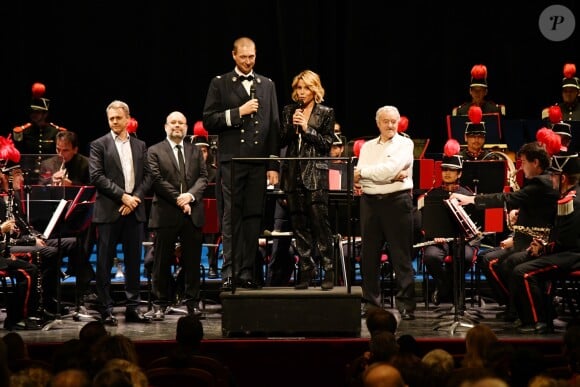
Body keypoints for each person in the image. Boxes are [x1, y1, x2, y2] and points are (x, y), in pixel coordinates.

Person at [451, 137, 560, 322]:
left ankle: (517, 306)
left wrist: (471, 199)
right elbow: (532, 205)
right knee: (486, 258)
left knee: (501, 263)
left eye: (524, 162)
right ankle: (513, 303)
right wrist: (518, 212)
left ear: (535, 162)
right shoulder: (541, 179)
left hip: (537, 241)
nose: (521, 166)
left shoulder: (542, 182)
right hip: (525, 236)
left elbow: (507, 198)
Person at [202, 36, 280, 291]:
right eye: (243, 57)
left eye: (252, 56)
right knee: (231, 217)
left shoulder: (267, 84)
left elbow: (273, 127)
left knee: (253, 218)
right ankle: (230, 272)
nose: (248, 61)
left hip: (258, 162)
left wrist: (272, 164)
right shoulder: (220, 83)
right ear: (234, 55)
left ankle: (247, 271)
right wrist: (238, 113)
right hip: (232, 161)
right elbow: (209, 120)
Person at [89, 100, 151, 326]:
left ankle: (133, 307)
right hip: (109, 212)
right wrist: (122, 196)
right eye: (111, 118)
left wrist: (133, 199)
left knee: (134, 262)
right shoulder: (99, 145)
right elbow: (96, 176)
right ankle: (106, 308)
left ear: (127, 119)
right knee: (104, 262)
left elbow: (148, 177)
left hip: (134, 211)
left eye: (118, 118)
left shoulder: (140, 145)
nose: (114, 121)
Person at [354, 105, 415, 320]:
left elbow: (389, 170)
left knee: (401, 256)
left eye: (394, 121)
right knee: (369, 256)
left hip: (396, 202)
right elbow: (378, 174)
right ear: (378, 123)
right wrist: (380, 175)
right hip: (370, 202)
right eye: (386, 121)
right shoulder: (367, 147)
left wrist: (365, 174)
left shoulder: (405, 144)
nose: (390, 125)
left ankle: (406, 305)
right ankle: (371, 303)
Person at [147, 111, 208, 320]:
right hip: (166, 212)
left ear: (186, 127)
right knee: (161, 261)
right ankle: (159, 303)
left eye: (181, 123)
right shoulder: (154, 150)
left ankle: (191, 302)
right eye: (172, 122)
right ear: (165, 126)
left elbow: (203, 177)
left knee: (192, 262)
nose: (176, 126)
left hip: (192, 212)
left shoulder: (195, 151)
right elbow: (156, 180)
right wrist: (180, 199)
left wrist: (190, 196)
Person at [511, 152, 580, 333]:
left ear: (563, 178)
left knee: (523, 272)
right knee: (521, 261)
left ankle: (538, 321)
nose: (551, 179)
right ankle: (544, 315)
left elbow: (566, 242)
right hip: (569, 251)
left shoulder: (570, 200)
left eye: (554, 175)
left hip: (573, 255)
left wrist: (543, 249)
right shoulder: (572, 195)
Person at [279, 69, 335, 290]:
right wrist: (294, 128)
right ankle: (305, 269)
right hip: (293, 175)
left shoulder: (325, 112)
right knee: (299, 224)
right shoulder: (289, 111)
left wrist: (307, 128)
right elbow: (282, 139)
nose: (301, 92)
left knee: (320, 223)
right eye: (298, 88)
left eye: (306, 88)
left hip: (315, 174)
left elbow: (327, 143)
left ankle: (329, 268)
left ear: (315, 89)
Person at [421, 141, 477, 305]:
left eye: (451, 170)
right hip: (440, 240)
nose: (447, 173)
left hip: (462, 240)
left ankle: (447, 290)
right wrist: (432, 235)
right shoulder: (432, 194)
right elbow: (425, 221)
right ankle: (448, 287)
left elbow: (475, 224)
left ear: (459, 173)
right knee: (431, 257)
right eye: (444, 169)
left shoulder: (467, 194)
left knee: (466, 257)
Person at [12, 82, 67, 185]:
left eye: (37, 112)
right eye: (32, 112)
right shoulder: (24, 131)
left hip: (49, 174)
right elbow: (18, 154)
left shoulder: (55, 131)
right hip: (29, 174)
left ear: (45, 114)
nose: (34, 115)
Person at [191, 122, 219, 279]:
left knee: (211, 235)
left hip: (209, 214)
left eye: (204, 151)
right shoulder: (187, 171)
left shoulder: (214, 172)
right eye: (198, 151)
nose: (202, 154)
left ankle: (212, 266)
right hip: (193, 211)